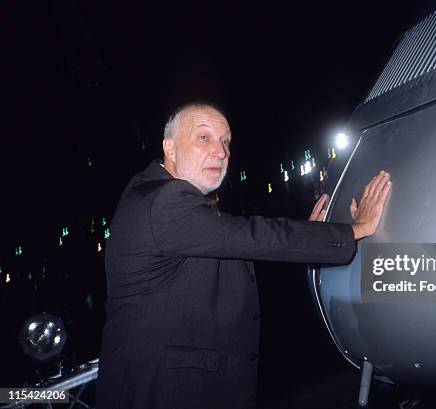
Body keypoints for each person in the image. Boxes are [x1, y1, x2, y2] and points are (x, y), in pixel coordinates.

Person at [95, 102, 391, 409]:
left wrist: (311, 236)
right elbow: (253, 235)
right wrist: (354, 229)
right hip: (165, 391)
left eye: (226, 141)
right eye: (203, 137)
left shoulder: (150, 193)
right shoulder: (165, 198)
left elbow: (237, 252)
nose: (221, 152)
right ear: (169, 147)